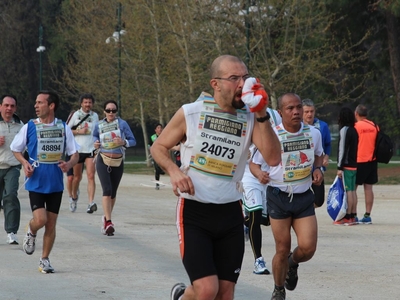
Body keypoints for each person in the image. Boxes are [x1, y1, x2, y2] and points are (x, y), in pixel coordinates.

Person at [150, 55, 281, 300]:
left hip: (230, 213)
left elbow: (273, 159)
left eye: (245, 77)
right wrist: (175, 171)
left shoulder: (253, 118)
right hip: (194, 212)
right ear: (216, 84)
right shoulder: (191, 112)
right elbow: (158, 147)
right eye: (234, 78)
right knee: (207, 289)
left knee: (225, 293)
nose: (242, 84)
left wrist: (262, 113)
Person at [251, 93, 324, 300]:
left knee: (308, 249)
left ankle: (293, 263)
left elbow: (318, 154)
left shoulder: (313, 133)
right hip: (278, 196)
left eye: (299, 107)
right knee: (281, 249)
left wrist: (318, 168)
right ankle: (278, 288)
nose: (296, 112)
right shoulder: (271, 135)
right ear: (281, 112)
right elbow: (253, 163)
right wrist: (259, 174)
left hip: (303, 197)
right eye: (290, 108)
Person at [10, 90, 79, 273]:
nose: (36, 105)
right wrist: (25, 163)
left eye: (40, 102)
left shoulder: (63, 127)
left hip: (55, 181)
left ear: (51, 106)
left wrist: (69, 163)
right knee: (40, 220)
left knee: (51, 223)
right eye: (36, 102)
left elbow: (74, 153)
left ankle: (44, 260)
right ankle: (31, 231)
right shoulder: (29, 126)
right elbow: (16, 149)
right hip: (36, 180)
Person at [242, 107, 281, 275]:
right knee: (256, 214)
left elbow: (280, 138)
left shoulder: (275, 115)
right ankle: (258, 260)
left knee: (268, 220)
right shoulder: (243, 114)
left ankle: (244, 223)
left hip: (270, 174)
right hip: (249, 173)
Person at [93, 100, 136, 236]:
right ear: (104, 111)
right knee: (107, 189)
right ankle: (109, 222)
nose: (111, 113)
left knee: (113, 193)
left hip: (117, 160)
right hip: (103, 159)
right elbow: (94, 136)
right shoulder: (99, 124)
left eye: (113, 110)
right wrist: (96, 143)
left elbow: (133, 140)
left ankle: (106, 217)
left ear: (116, 112)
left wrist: (124, 142)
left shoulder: (122, 124)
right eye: (108, 110)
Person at [67, 93, 99, 213]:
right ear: (81, 103)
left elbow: (96, 131)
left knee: (91, 176)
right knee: (77, 178)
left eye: (90, 102)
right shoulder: (75, 115)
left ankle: (91, 203)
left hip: (90, 149)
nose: (87, 105)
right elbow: (67, 130)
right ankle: (74, 197)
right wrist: (79, 131)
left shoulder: (95, 116)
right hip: (78, 150)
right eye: (85, 102)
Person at [0, 95, 23, 245]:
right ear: (0, 106)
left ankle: (12, 231)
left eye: (12, 106)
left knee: (10, 196)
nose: (9, 109)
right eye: (6, 105)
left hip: (12, 166)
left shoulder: (21, 125)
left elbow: (27, 145)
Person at [302, 98, 331, 207]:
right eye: (306, 112)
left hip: (317, 167)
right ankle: (304, 215)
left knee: (319, 200)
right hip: (301, 168)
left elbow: (327, 144)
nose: (309, 114)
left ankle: (305, 211)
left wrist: (326, 156)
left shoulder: (322, 126)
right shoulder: (296, 127)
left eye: (311, 111)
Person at [333, 107, 358, 225]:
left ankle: (347, 216)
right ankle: (353, 215)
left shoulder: (345, 130)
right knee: (352, 190)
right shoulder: (354, 130)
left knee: (348, 191)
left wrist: (339, 167)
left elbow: (342, 149)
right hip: (354, 165)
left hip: (346, 165)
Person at [354, 104, 378, 224]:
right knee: (368, 189)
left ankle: (353, 214)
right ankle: (367, 215)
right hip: (372, 160)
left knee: (353, 189)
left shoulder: (356, 127)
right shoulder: (374, 126)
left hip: (359, 160)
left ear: (356, 114)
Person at [150, 123, 165, 190]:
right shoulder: (153, 137)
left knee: (161, 168)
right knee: (157, 169)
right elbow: (149, 145)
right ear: (155, 130)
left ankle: (161, 171)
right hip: (155, 154)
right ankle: (157, 184)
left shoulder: (164, 136)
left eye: (161, 128)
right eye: (158, 128)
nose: (160, 129)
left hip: (163, 154)